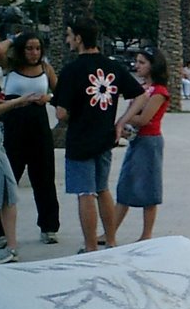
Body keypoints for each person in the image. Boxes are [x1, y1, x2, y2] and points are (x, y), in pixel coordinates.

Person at [53, 17, 147, 253]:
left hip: (80, 140)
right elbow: (141, 95)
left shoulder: (72, 70)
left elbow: (61, 113)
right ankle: (111, 240)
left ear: (79, 38)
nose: (67, 40)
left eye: (69, 35)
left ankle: (90, 246)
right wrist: (121, 122)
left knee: (85, 192)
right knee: (102, 188)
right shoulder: (113, 67)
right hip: (106, 138)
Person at [0, 32, 61, 247]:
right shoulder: (10, 65)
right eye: (29, 48)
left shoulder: (45, 69)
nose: (34, 53)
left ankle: (49, 227)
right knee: (8, 177)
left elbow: (60, 93)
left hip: (39, 125)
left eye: (37, 48)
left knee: (44, 176)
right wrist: (14, 37)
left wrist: (47, 98)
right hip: (14, 125)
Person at [114, 47, 170, 242]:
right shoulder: (142, 88)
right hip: (136, 140)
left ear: (153, 66)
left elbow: (145, 118)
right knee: (125, 185)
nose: (136, 66)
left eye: (142, 62)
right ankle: (110, 231)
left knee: (149, 187)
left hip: (149, 142)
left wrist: (121, 120)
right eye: (136, 62)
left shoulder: (159, 92)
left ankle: (146, 234)